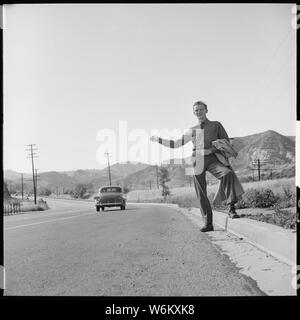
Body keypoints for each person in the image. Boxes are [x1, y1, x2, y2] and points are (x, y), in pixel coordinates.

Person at [150, 100, 244, 232]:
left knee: (227, 174)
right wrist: (159, 139)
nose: (199, 112)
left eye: (201, 109)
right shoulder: (192, 130)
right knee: (201, 191)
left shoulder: (216, 125)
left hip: (213, 158)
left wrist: (212, 149)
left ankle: (231, 208)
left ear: (206, 110)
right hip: (196, 160)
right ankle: (208, 223)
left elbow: (226, 141)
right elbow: (176, 144)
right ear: (194, 113)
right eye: (196, 110)